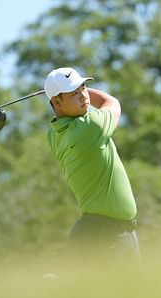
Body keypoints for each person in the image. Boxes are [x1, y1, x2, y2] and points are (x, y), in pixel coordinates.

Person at [44, 67, 139, 259]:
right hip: (108, 234)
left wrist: (64, 93)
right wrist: (83, 90)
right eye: (74, 93)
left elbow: (69, 107)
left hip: (101, 230)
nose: (84, 96)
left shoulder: (53, 134)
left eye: (84, 88)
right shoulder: (89, 127)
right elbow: (111, 102)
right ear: (56, 101)